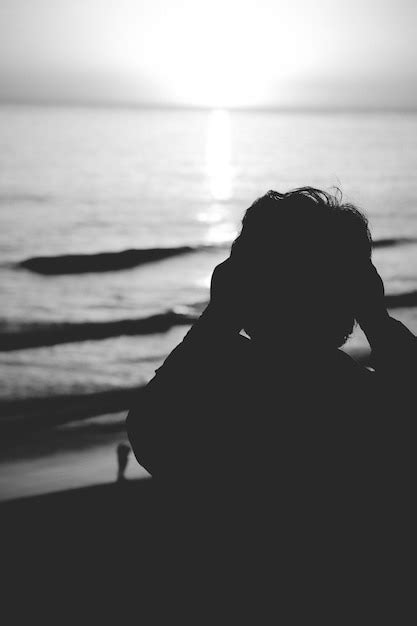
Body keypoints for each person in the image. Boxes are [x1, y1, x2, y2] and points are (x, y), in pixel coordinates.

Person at [126, 188, 416, 605]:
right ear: (353, 292)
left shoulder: (210, 387)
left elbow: (150, 432)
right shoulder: (371, 401)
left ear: (242, 286)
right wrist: (376, 317)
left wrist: (218, 317)